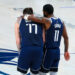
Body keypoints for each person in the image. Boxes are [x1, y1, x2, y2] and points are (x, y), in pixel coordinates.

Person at [24, 4, 70, 75]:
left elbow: (35, 19)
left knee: (41, 72)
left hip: (48, 52)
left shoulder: (48, 21)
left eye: (43, 11)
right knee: (53, 73)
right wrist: (66, 51)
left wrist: (26, 16)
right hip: (57, 52)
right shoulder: (61, 21)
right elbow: (66, 37)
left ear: (45, 12)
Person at [15, 8, 45, 75]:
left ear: (23, 14)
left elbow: (18, 41)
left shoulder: (19, 21)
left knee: (22, 73)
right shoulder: (40, 21)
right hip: (38, 50)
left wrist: (20, 51)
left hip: (26, 49)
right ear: (33, 14)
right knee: (34, 73)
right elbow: (43, 39)